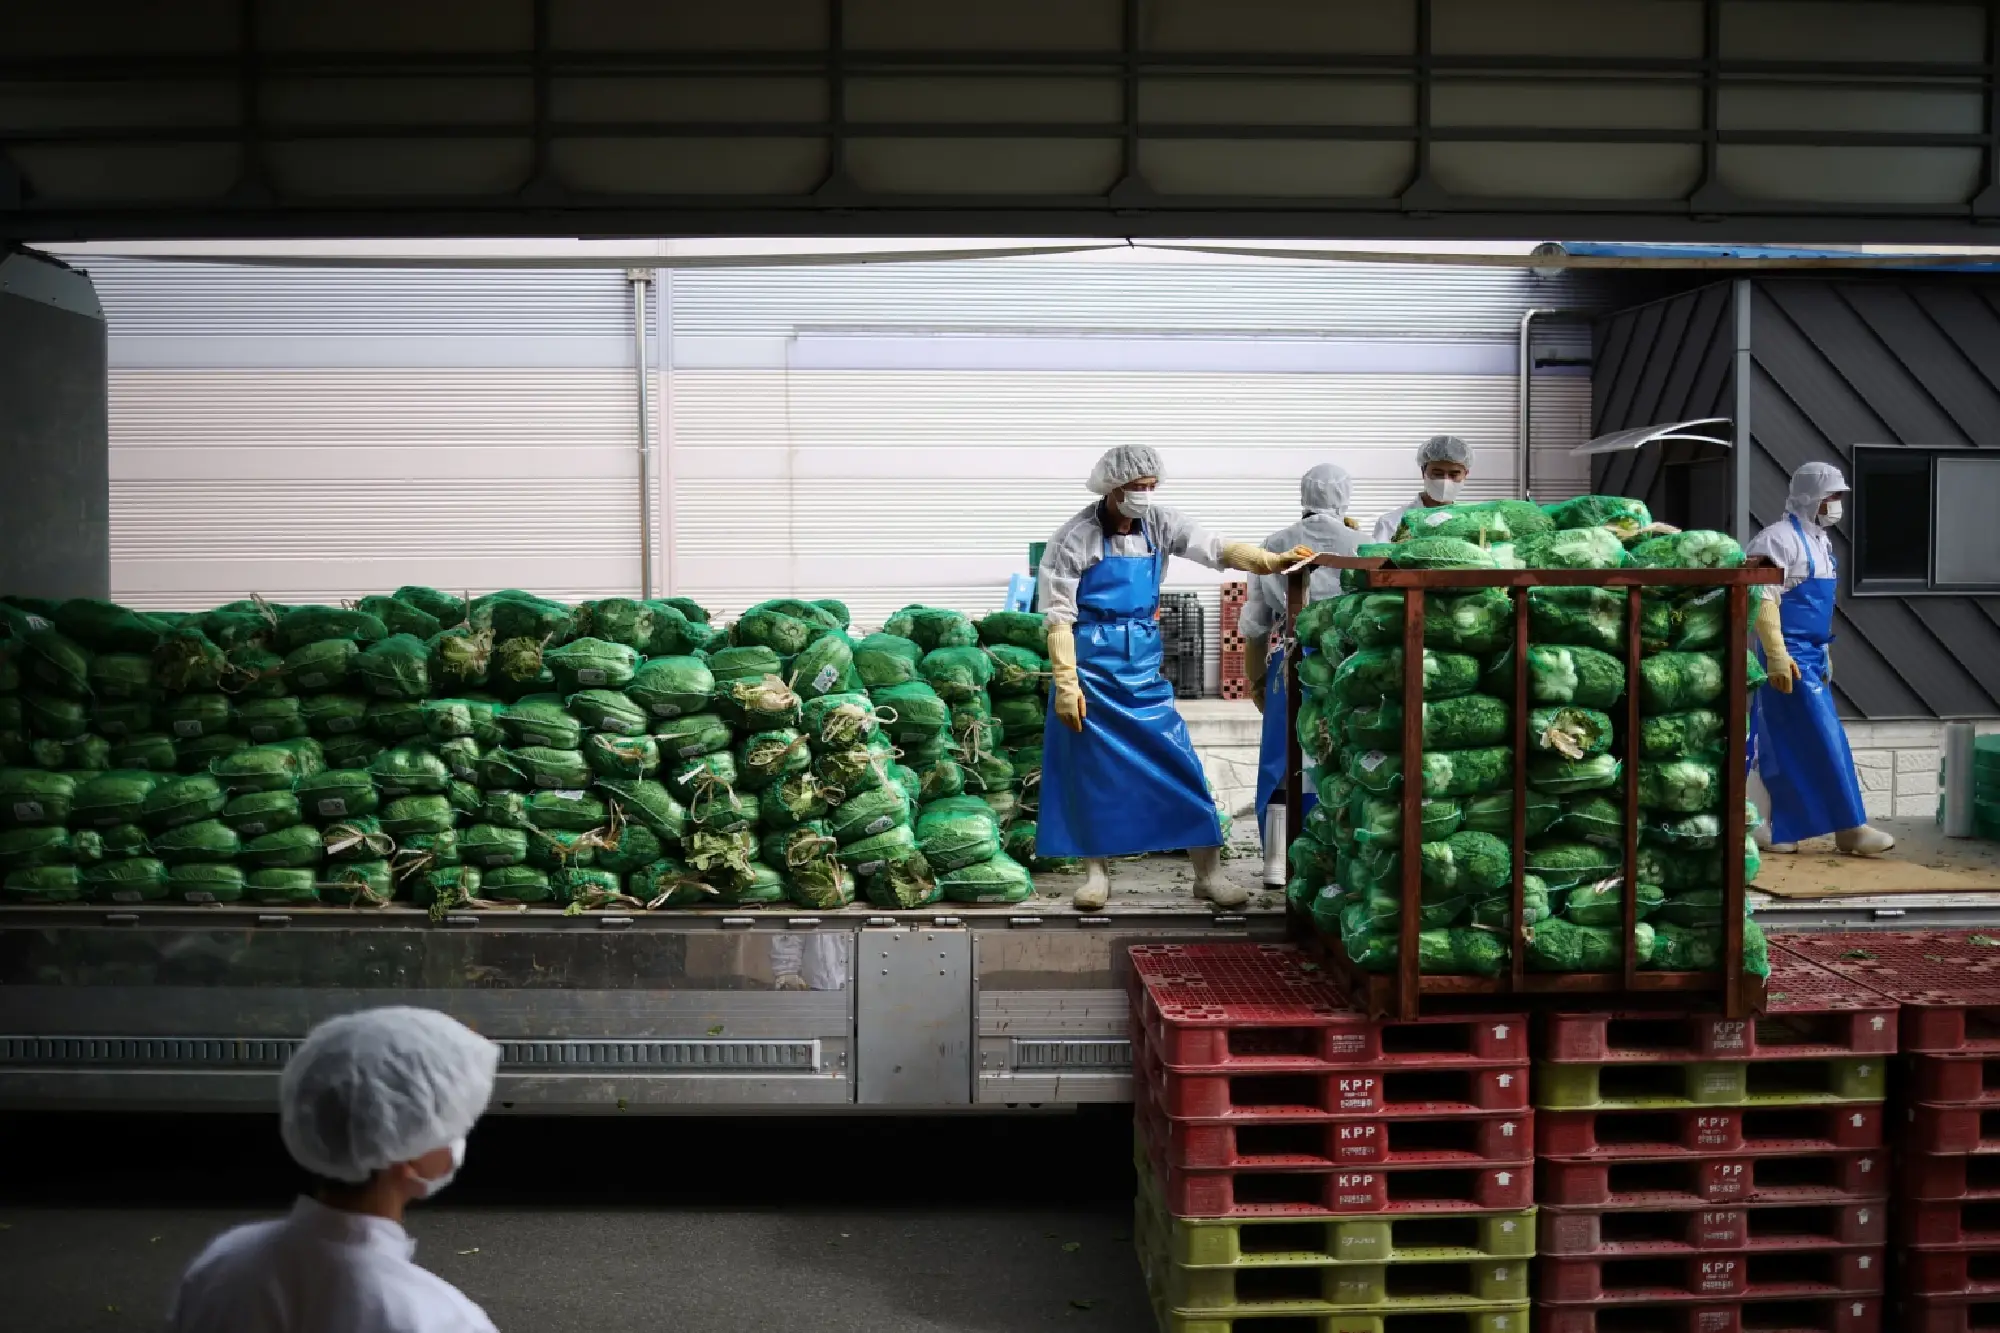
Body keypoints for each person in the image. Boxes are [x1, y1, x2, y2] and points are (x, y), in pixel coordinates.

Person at [1039, 444, 1317, 912]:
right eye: (1136, 488)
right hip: (1090, 668)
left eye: (1151, 487)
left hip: (1143, 666)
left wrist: (1266, 560)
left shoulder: (1161, 524)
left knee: (1180, 764)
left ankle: (1208, 874)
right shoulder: (1075, 537)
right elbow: (1058, 615)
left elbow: (1215, 548)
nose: (1144, 495)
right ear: (1112, 488)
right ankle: (1095, 875)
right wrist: (1066, 682)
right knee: (1089, 773)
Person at [168, 1007, 502, 1333]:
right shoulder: (438, 1319)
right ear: (407, 1160)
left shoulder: (222, 1265)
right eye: (449, 1123)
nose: (459, 1133)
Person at [1746, 460, 1894, 857]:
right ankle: (1850, 828)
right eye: (1832, 496)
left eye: (1839, 497)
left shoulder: (1820, 543)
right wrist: (1776, 655)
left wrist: (1823, 651)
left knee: (1783, 741)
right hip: (1788, 657)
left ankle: (1777, 830)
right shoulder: (1776, 539)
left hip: (1812, 654)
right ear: (1812, 496)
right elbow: (1761, 597)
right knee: (1821, 737)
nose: (1837, 504)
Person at [1242, 463, 1363, 887]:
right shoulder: (1362, 544)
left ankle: (1278, 861)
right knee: (1341, 751)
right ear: (1344, 495)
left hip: (1288, 654)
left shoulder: (1276, 543)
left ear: (1304, 495)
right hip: (1348, 660)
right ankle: (1337, 854)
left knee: (1283, 753)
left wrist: (1255, 680)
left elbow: (1255, 623)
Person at [1373, 434, 1473, 543]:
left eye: (1453, 474)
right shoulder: (1391, 523)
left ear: (1465, 475)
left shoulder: (1472, 524)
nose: (1445, 481)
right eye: (1437, 473)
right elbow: (1377, 559)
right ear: (1423, 472)